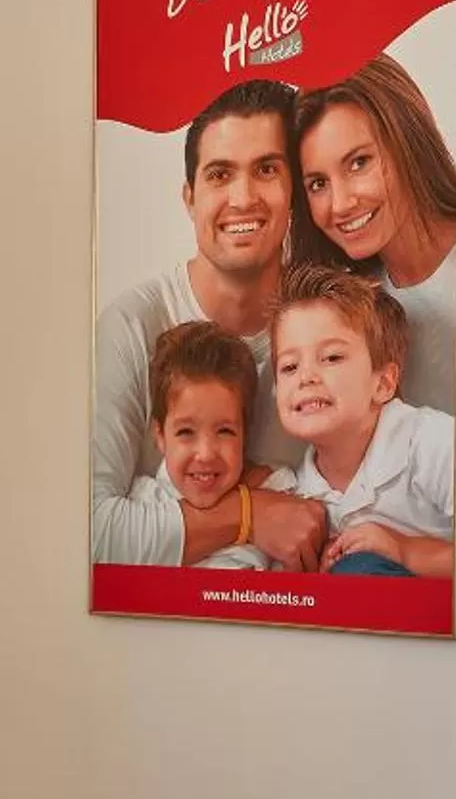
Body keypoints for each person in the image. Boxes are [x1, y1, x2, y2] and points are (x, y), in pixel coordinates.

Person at [91, 80, 330, 570]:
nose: (242, 198)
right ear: (190, 197)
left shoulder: (330, 329)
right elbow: (90, 533)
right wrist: (249, 514)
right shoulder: (131, 325)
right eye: (220, 174)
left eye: (266, 169)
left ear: (295, 194)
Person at [292, 54, 456, 417]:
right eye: (318, 183)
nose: (340, 204)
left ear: (408, 142)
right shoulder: (351, 311)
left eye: (359, 163)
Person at [268, 263, 455, 578]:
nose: (306, 377)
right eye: (289, 366)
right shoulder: (300, 497)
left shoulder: (431, 444)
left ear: (382, 384)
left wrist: (404, 550)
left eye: (331, 358)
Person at [127, 321, 298, 571]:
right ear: (160, 436)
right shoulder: (140, 508)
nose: (206, 454)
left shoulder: (281, 495)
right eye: (186, 432)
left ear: (245, 434)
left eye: (225, 431)